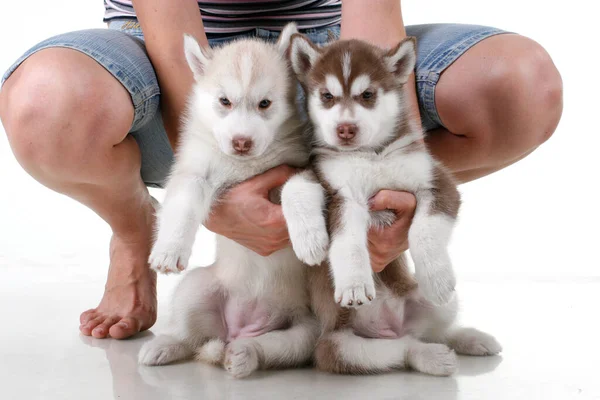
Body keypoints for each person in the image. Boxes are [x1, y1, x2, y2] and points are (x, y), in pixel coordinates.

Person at [0, 0, 563, 340]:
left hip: (326, 54)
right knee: (48, 105)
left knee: (521, 87)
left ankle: (346, 212)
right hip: (174, 56)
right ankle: (133, 232)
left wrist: (390, 196)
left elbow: (372, 11)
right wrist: (213, 200)